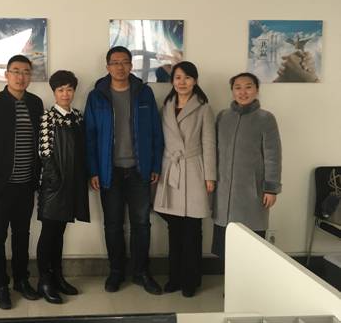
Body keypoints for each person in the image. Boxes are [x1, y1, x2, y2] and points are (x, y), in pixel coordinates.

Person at [84, 46, 164, 295]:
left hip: (140, 170)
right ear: (107, 66)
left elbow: (156, 131)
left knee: (142, 224)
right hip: (110, 172)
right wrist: (93, 170)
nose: (120, 67)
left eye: (125, 62)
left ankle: (141, 272)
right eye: (115, 62)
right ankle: (116, 272)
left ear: (131, 65)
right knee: (113, 225)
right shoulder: (97, 96)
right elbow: (89, 136)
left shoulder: (144, 92)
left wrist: (155, 165)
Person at [0, 55, 43, 310]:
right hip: (0, 184)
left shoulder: (36, 103)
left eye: (26, 72)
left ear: (30, 75)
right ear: (6, 74)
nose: (21, 77)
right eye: (16, 71)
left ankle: (21, 280)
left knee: (22, 234)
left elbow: (40, 142)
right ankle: (1, 285)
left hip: (27, 184)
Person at [153, 61, 216, 297]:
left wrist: (210, 176)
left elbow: (209, 144)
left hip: (194, 170)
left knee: (192, 229)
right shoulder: (166, 106)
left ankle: (191, 280)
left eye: (187, 78)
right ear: (172, 81)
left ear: (195, 81)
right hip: (171, 169)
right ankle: (174, 277)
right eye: (178, 77)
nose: (182, 82)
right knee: (174, 228)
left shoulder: (203, 108)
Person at [212, 72, 282, 258]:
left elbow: (273, 156)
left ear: (256, 90)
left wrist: (271, 189)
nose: (243, 92)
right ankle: (228, 277)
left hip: (253, 192)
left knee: (251, 248)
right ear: (232, 91)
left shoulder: (266, 118)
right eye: (238, 88)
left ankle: (250, 277)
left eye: (248, 87)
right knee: (226, 248)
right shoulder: (223, 116)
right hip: (223, 193)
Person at [36, 70, 90, 304]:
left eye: (69, 89)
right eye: (61, 90)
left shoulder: (77, 116)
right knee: (48, 234)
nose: (65, 94)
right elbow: (45, 152)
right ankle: (44, 281)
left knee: (59, 234)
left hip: (72, 184)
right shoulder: (47, 117)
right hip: (53, 186)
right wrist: (55, 180)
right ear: (54, 92)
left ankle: (57, 277)